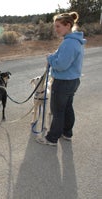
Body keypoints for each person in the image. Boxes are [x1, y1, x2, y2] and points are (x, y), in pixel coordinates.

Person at [36, 11, 87, 146]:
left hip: (63, 82)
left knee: (57, 111)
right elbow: (64, 59)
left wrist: (50, 58)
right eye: (55, 26)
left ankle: (52, 138)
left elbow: (61, 65)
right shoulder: (75, 41)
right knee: (67, 107)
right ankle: (67, 133)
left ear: (68, 25)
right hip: (73, 81)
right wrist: (54, 57)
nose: (56, 29)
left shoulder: (69, 43)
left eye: (58, 26)